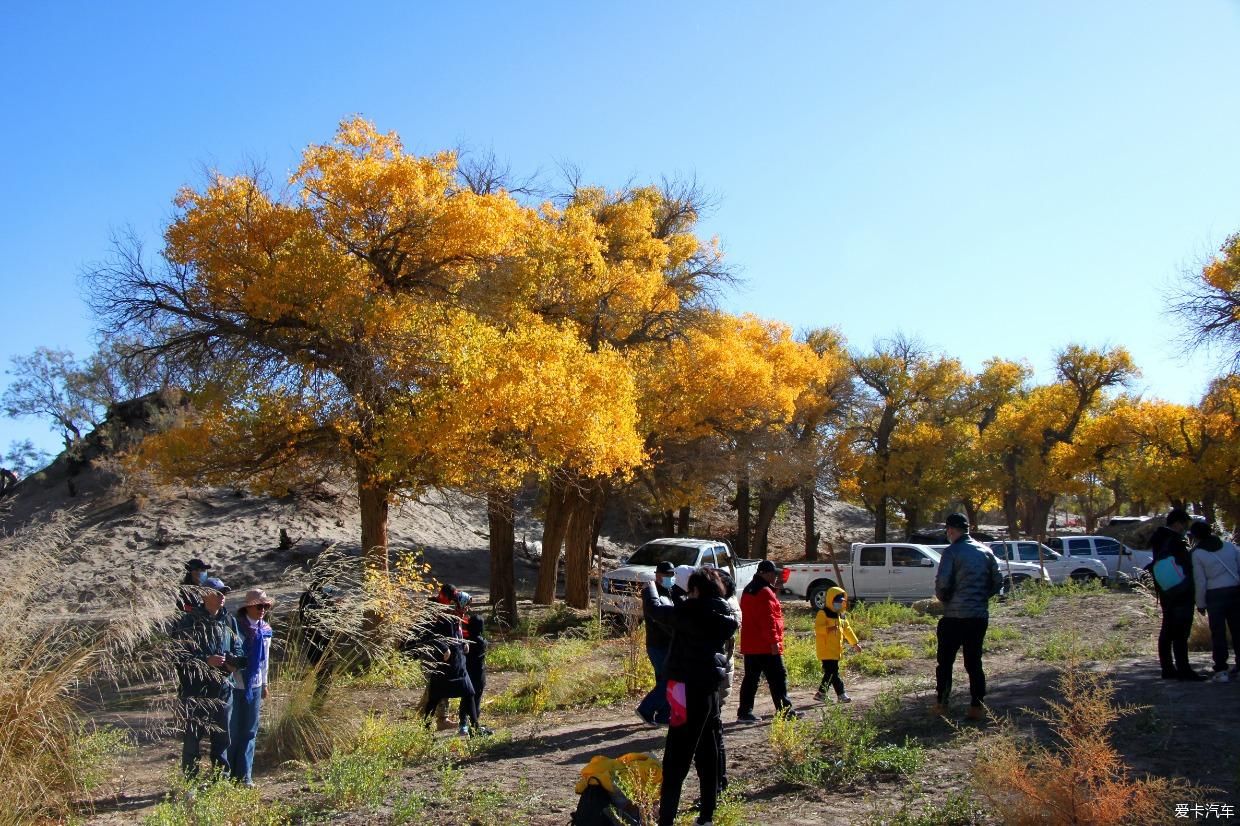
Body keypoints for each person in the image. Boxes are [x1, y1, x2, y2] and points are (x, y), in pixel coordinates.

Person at [641, 566, 738, 826]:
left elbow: (656, 611)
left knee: (676, 757)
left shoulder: (692, 611)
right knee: (707, 752)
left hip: (684, 688)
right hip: (709, 689)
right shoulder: (725, 611)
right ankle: (706, 816)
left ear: (695, 590)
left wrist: (650, 587)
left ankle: (666, 820)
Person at [173, 577, 246, 778]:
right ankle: (191, 781)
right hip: (195, 689)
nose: (222, 597)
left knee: (222, 736)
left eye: (224, 593)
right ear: (205, 595)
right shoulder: (188, 620)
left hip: (223, 686)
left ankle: (220, 779)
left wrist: (234, 663)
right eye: (218, 592)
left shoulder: (228, 619)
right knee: (192, 737)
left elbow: (238, 647)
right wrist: (206, 660)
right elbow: (178, 655)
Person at [933, 513, 1003, 720]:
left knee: (945, 662)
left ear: (951, 530)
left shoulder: (951, 552)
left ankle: (942, 703)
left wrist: (945, 600)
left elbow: (942, 585)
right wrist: (981, 598)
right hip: (978, 616)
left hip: (954, 617)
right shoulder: (986, 551)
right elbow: (998, 581)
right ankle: (976, 706)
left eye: (948, 531)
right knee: (974, 662)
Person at [412, 585, 483, 735]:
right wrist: (445, 648)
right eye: (465, 606)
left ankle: (472, 727)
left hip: (452, 661)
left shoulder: (454, 616)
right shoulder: (442, 615)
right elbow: (431, 635)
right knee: (436, 693)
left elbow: (456, 635)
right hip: (437, 658)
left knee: (462, 692)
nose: (467, 610)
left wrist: (463, 644)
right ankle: (432, 723)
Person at [1150, 508, 1205, 681]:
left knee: (1167, 630)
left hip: (1166, 590)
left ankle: (1167, 668)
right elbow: (1186, 566)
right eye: (1185, 523)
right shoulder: (1175, 541)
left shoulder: (1158, 538)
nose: (1186, 527)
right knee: (1181, 632)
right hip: (1181, 591)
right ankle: (1184, 669)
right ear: (1178, 523)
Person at [736, 559, 793, 723]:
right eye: (773, 574)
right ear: (765, 573)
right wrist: (774, 642)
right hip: (765, 645)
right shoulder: (764, 592)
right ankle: (784, 711)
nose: (775, 577)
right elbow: (768, 620)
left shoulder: (750, 589)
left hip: (751, 644)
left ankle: (744, 712)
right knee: (778, 677)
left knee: (751, 680)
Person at [229, 589, 274, 786]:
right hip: (236, 684)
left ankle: (245, 775)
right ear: (248, 607)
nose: (262, 609)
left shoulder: (266, 630)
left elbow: (265, 661)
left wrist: (264, 684)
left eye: (265, 606)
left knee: (250, 731)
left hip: (255, 686)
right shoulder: (236, 628)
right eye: (259, 606)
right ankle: (229, 773)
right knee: (233, 730)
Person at [1189, 521, 1240, 680]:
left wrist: (1200, 603)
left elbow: (1200, 580)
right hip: (1235, 591)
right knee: (1238, 631)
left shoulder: (1197, 553)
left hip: (1214, 595)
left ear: (1196, 536)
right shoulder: (1229, 547)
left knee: (1218, 633)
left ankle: (1221, 670)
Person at [636, 560, 676, 726]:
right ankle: (646, 709)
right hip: (657, 643)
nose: (669, 577)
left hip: (667, 643)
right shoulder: (652, 593)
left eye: (671, 574)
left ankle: (663, 715)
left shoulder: (669, 591)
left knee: (665, 680)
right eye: (666, 574)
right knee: (668, 679)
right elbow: (658, 619)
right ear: (657, 575)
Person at [814, 586, 861, 703]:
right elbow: (817, 629)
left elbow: (847, 630)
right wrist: (829, 628)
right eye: (837, 602)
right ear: (831, 600)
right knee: (833, 673)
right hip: (825, 650)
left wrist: (855, 643)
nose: (839, 604)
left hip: (836, 650)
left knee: (831, 673)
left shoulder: (842, 615)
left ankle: (821, 694)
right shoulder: (823, 613)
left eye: (841, 602)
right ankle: (841, 694)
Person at [454, 591, 492, 735]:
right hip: (477, 674)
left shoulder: (466, 636)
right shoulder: (482, 642)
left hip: (466, 671)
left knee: (466, 698)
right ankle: (473, 724)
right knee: (475, 699)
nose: (468, 609)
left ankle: (464, 723)